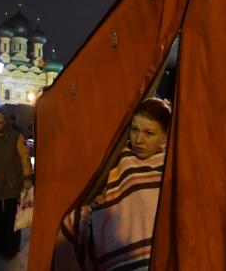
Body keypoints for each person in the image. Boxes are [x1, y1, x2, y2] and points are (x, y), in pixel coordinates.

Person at [53, 98, 172, 271]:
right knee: (73, 223)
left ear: (164, 137)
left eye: (149, 133)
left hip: (157, 250)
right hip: (117, 234)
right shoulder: (119, 156)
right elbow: (113, 194)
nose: (138, 140)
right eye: (134, 130)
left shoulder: (171, 164)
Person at [0, 109, 33, 260]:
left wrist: (27, 176)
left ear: (5, 122)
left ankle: (12, 248)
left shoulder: (16, 137)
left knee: (11, 219)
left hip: (13, 184)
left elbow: (24, 157)